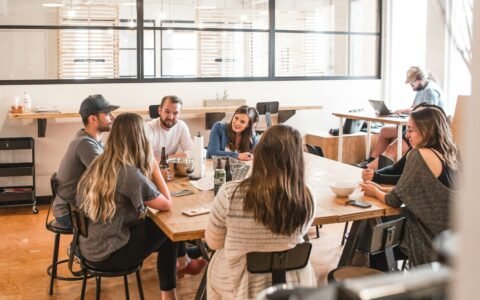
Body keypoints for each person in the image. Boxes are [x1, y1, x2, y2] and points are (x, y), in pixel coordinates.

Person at [206, 124, 317, 299]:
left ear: (259, 153)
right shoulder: (307, 195)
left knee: (219, 255)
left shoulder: (230, 193)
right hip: (291, 280)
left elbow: (213, 243)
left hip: (240, 283)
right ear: (297, 158)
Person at [76, 113, 180, 300]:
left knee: (157, 226)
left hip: (89, 246)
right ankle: (171, 292)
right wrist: (155, 167)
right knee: (169, 229)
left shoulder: (100, 163)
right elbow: (166, 203)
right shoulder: (129, 174)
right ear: (141, 139)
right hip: (111, 255)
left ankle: (184, 259)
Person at [360, 106, 459, 266]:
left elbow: (393, 201)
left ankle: (389, 289)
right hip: (451, 240)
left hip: (428, 241)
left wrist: (374, 191)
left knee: (377, 244)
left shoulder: (418, 155)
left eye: (411, 130)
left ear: (426, 131)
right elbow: (410, 190)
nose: (407, 135)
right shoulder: (449, 155)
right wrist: (380, 188)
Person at [357, 66, 446, 169]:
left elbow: (427, 114)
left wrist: (405, 112)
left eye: (412, 83)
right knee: (385, 131)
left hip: (425, 130)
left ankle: (370, 169)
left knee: (392, 148)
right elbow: (415, 108)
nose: (411, 86)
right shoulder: (421, 89)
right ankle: (371, 160)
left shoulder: (430, 91)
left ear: (419, 79)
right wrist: (402, 111)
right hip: (418, 126)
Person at [52, 94, 119, 228]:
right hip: (71, 214)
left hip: (79, 208)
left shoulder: (91, 140)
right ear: (93, 119)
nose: (113, 117)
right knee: (128, 220)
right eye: (107, 113)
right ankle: (83, 248)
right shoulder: (85, 144)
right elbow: (110, 176)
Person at [361, 104, 449, 185]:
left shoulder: (427, 154)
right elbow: (396, 168)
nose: (406, 135)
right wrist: (374, 174)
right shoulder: (422, 147)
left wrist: (376, 177)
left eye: (410, 130)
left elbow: (407, 181)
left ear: (426, 129)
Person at [146, 95, 194, 159]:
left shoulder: (181, 126)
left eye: (175, 113)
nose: (170, 117)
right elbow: (146, 158)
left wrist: (166, 158)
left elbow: (192, 152)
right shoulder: (148, 128)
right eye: (167, 111)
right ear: (159, 110)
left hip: (170, 166)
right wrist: (175, 157)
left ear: (179, 114)